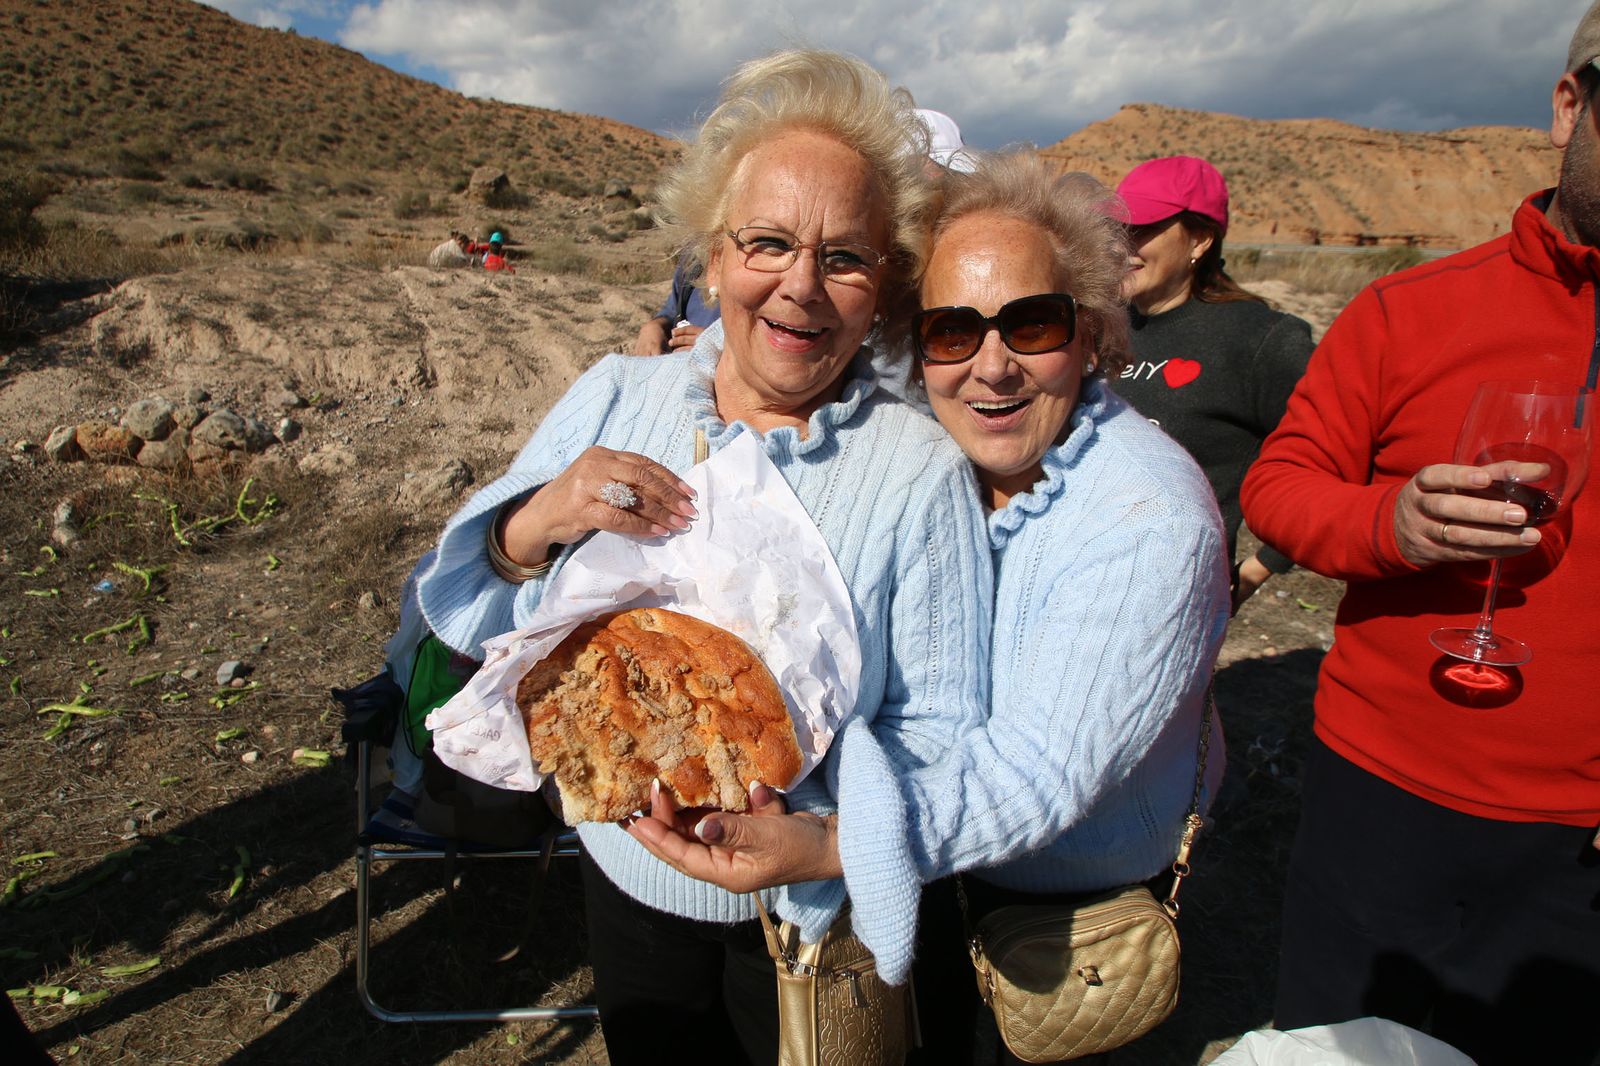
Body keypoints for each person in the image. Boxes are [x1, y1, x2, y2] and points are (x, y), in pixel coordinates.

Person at [413, 49, 991, 1066]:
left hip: (812, 917)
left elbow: (944, 726)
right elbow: (477, 606)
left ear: (884, 280)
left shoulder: (916, 469)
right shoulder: (617, 394)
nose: (800, 287)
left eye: (844, 256)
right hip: (626, 876)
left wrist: (818, 841)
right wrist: (538, 516)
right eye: (766, 242)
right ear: (712, 258)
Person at [630, 151, 1229, 1063]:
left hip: (1049, 906)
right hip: (923, 874)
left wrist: (831, 846)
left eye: (1032, 324)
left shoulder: (1148, 520)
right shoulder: (940, 443)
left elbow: (1038, 773)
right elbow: (782, 345)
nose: (992, 367)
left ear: (1093, 332)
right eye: (953, 332)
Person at [1239, 6, 1600, 1063]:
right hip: (1383, 806)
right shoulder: (1406, 312)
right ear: (1567, 105)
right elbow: (1279, 487)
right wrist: (1386, 521)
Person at [1113, 155, 1314, 612]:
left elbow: (1330, 454)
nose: (1122, 245)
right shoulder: (1102, 323)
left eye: (1142, 229)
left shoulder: (1260, 338)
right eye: (1117, 229)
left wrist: (1261, 567)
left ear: (1200, 240)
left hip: (1174, 595)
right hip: (1080, 574)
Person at [630, 249, 721, 355]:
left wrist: (718, 344)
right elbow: (673, 309)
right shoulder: (693, 257)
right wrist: (654, 326)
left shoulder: (741, 273)